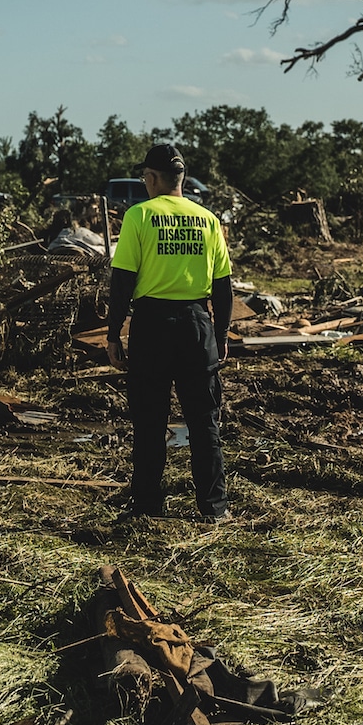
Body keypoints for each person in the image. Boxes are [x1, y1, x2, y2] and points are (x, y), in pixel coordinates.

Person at [105, 144, 233, 519]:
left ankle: (147, 506)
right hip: (197, 325)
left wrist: (114, 333)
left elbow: (123, 280)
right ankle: (214, 508)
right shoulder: (207, 219)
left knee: (149, 422)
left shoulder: (139, 215)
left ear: (151, 178)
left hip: (152, 326)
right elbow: (223, 287)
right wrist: (221, 335)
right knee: (204, 422)